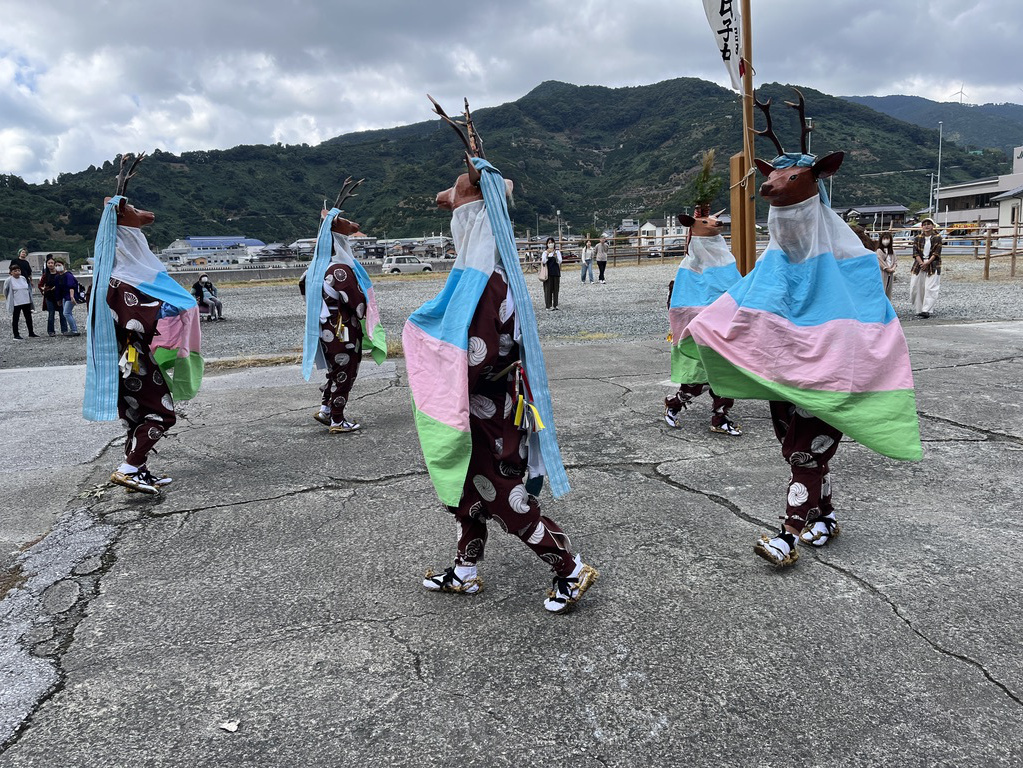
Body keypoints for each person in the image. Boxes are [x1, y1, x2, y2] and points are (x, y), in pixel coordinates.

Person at [683, 89, 921, 568]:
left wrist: (842, 352)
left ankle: (787, 534)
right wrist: (704, 327)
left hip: (833, 371)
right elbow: (744, 303)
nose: (776, 195)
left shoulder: (852, 258)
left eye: (789, 190)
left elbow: (871, 319)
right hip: (787, 371)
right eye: (779, 217)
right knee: (798, 451)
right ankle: (824, 517)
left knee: (804, 454)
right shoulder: (776, 262)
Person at [405, 96, 596, 613]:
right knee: (468, 491)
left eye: (456, 203)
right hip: (481, 408)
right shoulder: (481, 275)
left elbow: (480, 357)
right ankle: (465, 571)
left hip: (490, 409)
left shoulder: (486, 281)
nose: (447, 207)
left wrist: (433, 360)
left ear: (469, 217)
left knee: (503, 494)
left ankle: (570, 567)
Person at [84, 152, 204, 495]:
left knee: (137, 417)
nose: (144, 215)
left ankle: (138, 469)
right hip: (135, 362)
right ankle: (128, 468)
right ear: (126, 232)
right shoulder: (123, 281)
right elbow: (135, 322)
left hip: (125, 363)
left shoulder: (109, 278)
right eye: (134, 212)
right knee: (161, 415)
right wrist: (165, 308)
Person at [665, 211, 742, 436]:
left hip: (722, 330)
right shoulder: (689, 269)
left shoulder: (726, 263)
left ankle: (720, 417)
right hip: (700, 332)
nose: (715, 224)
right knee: (696, 380)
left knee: (725, 376)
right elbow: (681, 306)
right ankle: (674, 404)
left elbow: (736, 293)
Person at [909, 218, 942, 318]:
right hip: (919, 264)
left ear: (933, 226)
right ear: (921, 226)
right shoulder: (917, 238)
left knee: (930, 288)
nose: (926, 226)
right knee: (916, 287)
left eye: (929, 224)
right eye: (924, 224)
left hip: (933, 264)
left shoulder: (937, 237)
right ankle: (919, 308)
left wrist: (927, 263)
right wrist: (921, 263)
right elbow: (915, 252)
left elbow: (936, 253)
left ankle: (926, 310)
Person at [5, 263, 38, 339]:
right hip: (16, 302)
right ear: (11, 272)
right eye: (15, 271)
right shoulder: (9, 280)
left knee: (28, 317)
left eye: (18, 270)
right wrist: (9, 299)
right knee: (16, 318)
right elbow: (6, 291)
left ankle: (31, 332)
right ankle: (16, 334)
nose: (17, 272)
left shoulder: (23, 278)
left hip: (26, 301)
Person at [38, 255, 69, 337]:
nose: (50, 264)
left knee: (62, 314)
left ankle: (64, 330)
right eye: (49, 263)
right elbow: (40, 285)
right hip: (49, 297)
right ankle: (51, 331)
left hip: (59, 296)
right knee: (51, 314)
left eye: (52, 263)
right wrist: (44, 290)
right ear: (46, 264)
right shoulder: (45, 275)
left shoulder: (59, 274)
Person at [51, 259, 81, 336]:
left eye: (59, 265)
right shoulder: (58, 277)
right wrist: (58, 299)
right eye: (56, 265)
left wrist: (72, 296)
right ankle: (73, 329)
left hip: (70, 296)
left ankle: (74, 330)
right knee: (68, 313)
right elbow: (58, 289)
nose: (57, 267)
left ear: (63, 265)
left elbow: (71, 286)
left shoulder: (68, 275)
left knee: (66, 313)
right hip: (64, 296)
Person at [541, 236, 562, 310]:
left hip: (556, 272)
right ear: (547, 244)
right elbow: (543, 261)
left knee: (556, 289)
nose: (551, 244)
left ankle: (555, 304)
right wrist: (547, 254)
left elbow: (560, 261)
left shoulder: (557, 252)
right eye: (549, 243)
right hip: (548, 273)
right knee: (548, 290)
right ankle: (548, 305)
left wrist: (556, 257)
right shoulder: (544, 252)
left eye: (552, 242)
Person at [876, 231, 897, 299]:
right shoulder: (879, 251)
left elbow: (895, 261)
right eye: (884, 238)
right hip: (883, 272)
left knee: (889, 289)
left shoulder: (892, 251)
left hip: (890, 273)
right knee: (882, 288)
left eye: (887, 238)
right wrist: (887, 269)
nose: (886, 240)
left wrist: (893, 268)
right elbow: (880, 261)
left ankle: (888, 303)